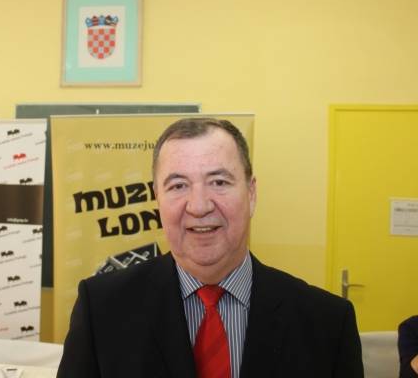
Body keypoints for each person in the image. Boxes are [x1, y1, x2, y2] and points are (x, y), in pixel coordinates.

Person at [56, 117, 363, 378]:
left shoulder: (327, 323)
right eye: (178, 185)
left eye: (219, 182)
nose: (199, 206)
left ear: (251, 194)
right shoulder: (102, 310)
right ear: (157, 200)